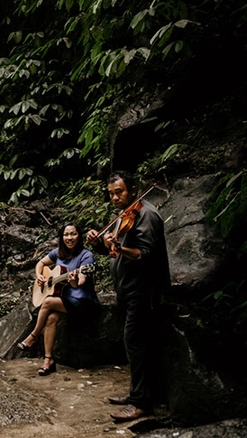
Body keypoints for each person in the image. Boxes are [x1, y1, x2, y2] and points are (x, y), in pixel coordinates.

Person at [86, 171, 170, 422]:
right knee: (135, 345)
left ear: (133, 190)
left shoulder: (147, 215)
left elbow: (145, 254)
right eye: (110, 193)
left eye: (118, 192)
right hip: (128, 291)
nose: (114, 197)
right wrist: (98, 242)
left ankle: (141, 402)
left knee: (137, 343)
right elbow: (112, 253)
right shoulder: (124, 216)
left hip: (143, 292)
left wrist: (118, 245)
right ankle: (139, 393)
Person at [17, 223, 99, 376]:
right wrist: (39, 275)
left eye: (73, 234)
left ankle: (33, 336)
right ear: (62, 237)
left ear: (79, 236)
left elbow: (79, 283)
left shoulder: (86, 256)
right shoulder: (58, 253)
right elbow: (40, 263)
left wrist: (73, 280)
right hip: (66, 301)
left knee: (47, 302)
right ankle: (49, 360)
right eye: (66, 235)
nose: (70, 238)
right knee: (51, 319)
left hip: (83, 302)